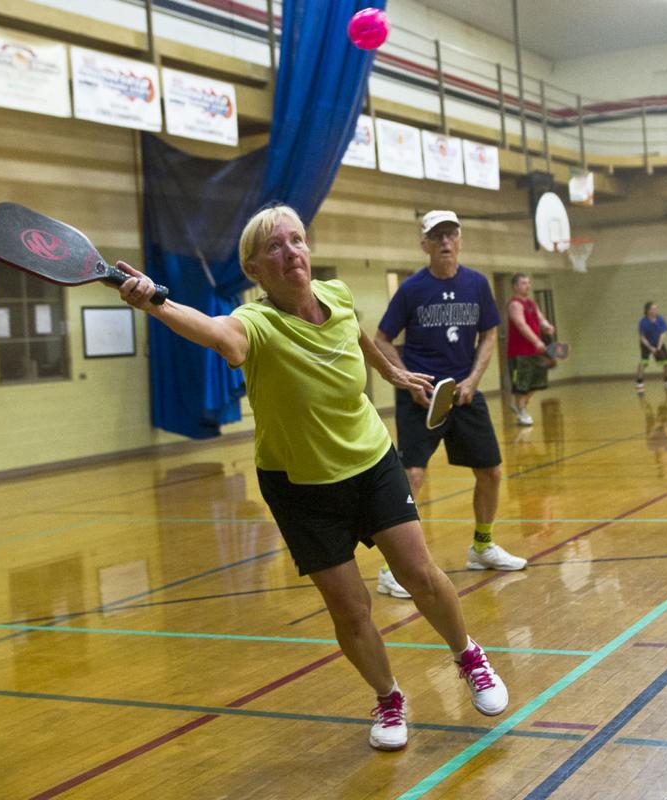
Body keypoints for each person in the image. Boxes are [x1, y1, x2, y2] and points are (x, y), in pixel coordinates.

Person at [113, 205, 508, 752]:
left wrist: (391, 371)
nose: (291, 252)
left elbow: (360, 336)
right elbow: (215, 333)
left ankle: (468, 655)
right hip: (299, 486)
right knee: (350, 609)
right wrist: (156, 303)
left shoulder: (338, 295)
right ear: (254, 269)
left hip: (371, 461)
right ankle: (389, 697)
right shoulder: (256, 324)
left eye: (296, 240)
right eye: (274, 246)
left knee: (419, 573)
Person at [373, 210, 528, 600]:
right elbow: (382, 339)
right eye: (436, 236)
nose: (445, 242)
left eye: (451, 234)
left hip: (465, 393)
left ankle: (482, 546)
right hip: (420, 397)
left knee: (491, 471)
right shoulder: (411, 290)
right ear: (424, 244)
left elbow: (490, 333)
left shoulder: (476, 285)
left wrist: (474, 379)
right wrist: (407, 379)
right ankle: (392, 569)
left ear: (460, 239)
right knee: (411, 477)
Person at [506, 272, 554, 426]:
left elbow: (540, 318)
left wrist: (546, 326)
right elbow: (521, 325)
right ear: (516, 286)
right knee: (522, 382)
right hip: (520, 352)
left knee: (538, 381)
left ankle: (518, 405)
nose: (528, 286)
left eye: (528, 283)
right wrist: (536, 341)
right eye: (524, 283)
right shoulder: (515, 304)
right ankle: (522, 412)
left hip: (535, 351)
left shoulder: (531, 303)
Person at [635, 301, 667, 392]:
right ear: (648, 310)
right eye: (653, 308)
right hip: (646, 343)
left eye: (656, 308)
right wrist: (651, 348)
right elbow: (642, 338)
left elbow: (663, 333)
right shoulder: (643, 322)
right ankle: (639, 381)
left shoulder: (660, 319)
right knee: (644, 362)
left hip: (658, 342)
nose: (656, 310)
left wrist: (658, 347)